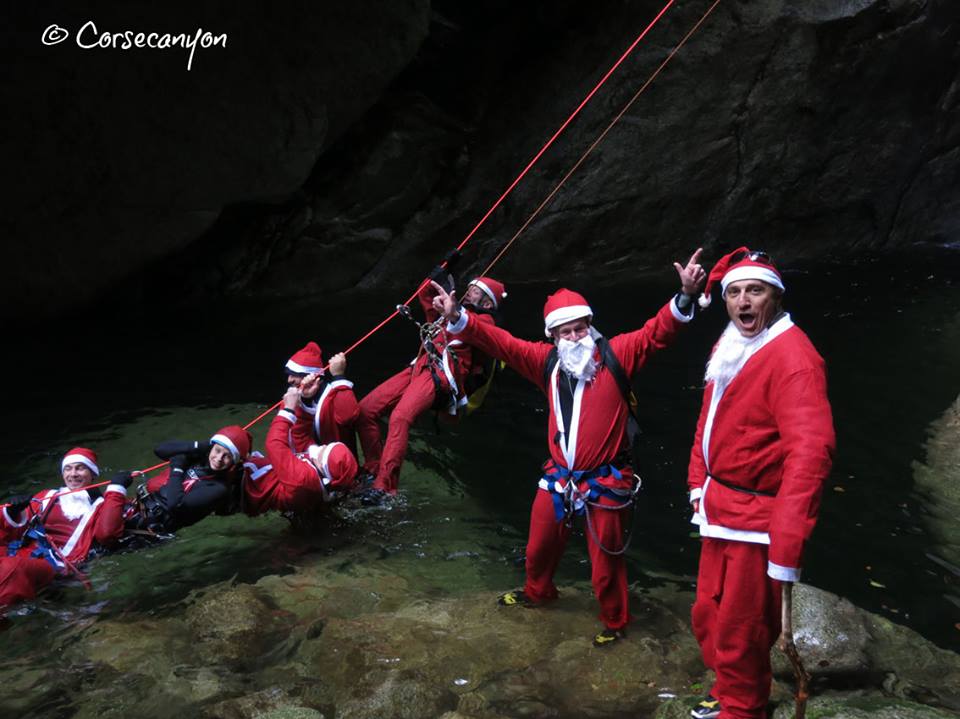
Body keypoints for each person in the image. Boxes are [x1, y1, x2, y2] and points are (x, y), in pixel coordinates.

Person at [432, 250, 706, 646]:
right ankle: (537, 592)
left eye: (580, 329)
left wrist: (685, 295)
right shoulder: (545, 363)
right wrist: (458, 315)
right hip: (560, 477)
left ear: (591, 327)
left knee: (606, 564)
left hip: (607, 479)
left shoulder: (617, 354)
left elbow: (656, 333)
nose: (575, 337)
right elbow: (501, 342)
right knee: (538, 547)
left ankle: (615, 622)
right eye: (566, 332)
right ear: (553, 336)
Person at [686, 248, 835, 719]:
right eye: (734, 292)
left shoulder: (795, 358)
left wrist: (787, 544)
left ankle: (744, 707)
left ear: (776, 297)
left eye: (755, 291)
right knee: (708, 611)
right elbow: (708, 419)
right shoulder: (730, 342)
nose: (743, 302)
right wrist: (697, 482)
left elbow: (810, 453)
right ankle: (729, 686)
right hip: (718, 506)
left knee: (743, 623)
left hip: (757, 519)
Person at [355, 266, 507, 500]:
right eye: (469, 288)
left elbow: (469, 324)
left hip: (441, 375)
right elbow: (425, 294)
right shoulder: (452, 311)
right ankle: (373, 470)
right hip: (421, 366)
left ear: (487, 303)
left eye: (475, 291)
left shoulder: (485, 321)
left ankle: (384, 488)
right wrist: (443, 269)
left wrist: (452, 310)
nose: (468, 292)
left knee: (400, 417)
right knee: (366, 410)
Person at [1, 448, 130, 611]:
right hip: (20, 552)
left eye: (80, 468)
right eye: (68, 469)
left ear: (92, 474)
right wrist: (12, 512)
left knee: (11, 568)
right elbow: (15, 530)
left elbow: (108, 534)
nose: (73, 474)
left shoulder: (101, 505)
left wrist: (116, 490)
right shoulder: (46, 496)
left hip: (56, 564)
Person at [241, 387, 359, 516]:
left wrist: (288, 410)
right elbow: (299, 438)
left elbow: (274, 444)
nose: (323, 446)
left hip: (247, 491)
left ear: (322, 466)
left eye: (324, 450)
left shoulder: (304, 479)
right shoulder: (324, 476)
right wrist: (304, 401)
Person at [125, 425, 252, 533]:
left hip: (149, 528)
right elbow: (159, 450)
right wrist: (199, 446)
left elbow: (176, 505)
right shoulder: (200, 458)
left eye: (227, 456)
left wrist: (177, 469)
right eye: (217, 450)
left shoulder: (219, 488)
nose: (219, 458)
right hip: (139, 507)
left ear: (233, 461)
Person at [284, 342, 360, 455]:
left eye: (295, 374)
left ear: (313, 376)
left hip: (338, 461)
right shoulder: (293, 397)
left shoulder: (334, 394)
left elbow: (348, 417)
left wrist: (339, 376)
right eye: (288, 374)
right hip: (307, 461)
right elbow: (293, 436)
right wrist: (305, 400)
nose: (289, 380)